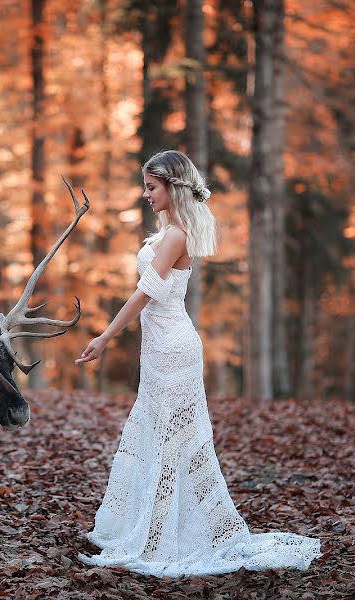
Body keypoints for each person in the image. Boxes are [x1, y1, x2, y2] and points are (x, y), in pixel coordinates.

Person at [75, 150, 320, 577]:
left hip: (174, 350)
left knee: (174, 442)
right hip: (159, 351)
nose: (145, 194)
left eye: (152, 187)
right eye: (146, 186)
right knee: (158, 435)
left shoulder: (175, 236)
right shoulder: (166, 229)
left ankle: (159, 537)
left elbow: (143, 295)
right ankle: (149, 526)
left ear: (172, 186)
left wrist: (105, 337)